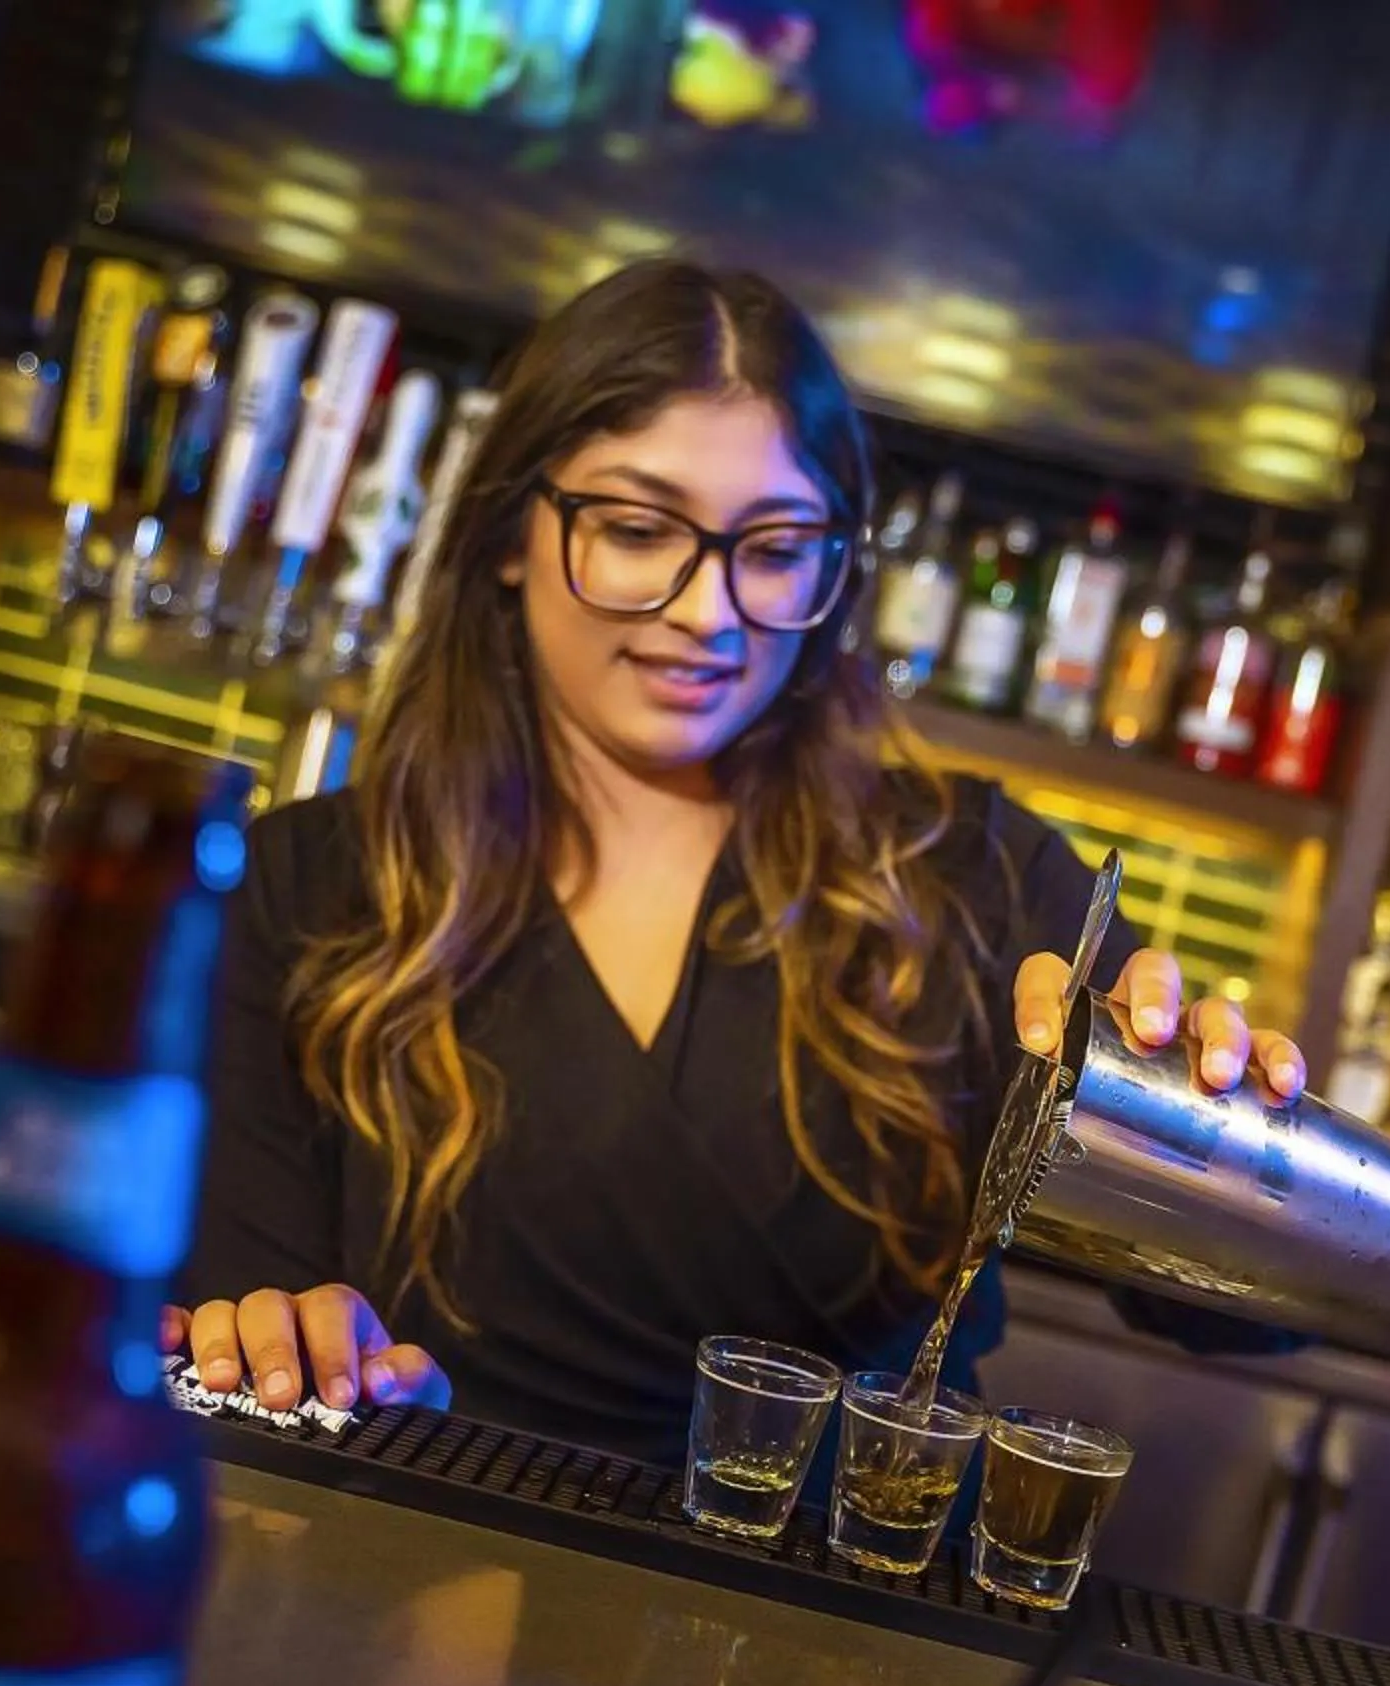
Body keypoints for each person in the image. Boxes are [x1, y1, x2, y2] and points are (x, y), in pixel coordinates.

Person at [168, 260, 1306, 1465]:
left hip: (846, 1579)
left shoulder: (975, 874)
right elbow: (248, 1347)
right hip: (429, 1556)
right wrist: (298, 1351)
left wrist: (1219, 1135)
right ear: (508, 531)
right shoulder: (302, 888)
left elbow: (1241, 1310)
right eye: (636, 529)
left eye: (773, 547)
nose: (708, 610)